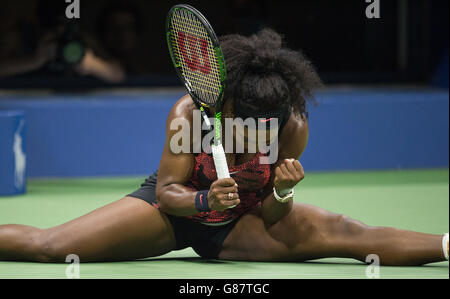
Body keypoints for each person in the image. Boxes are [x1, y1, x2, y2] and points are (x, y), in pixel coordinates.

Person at [0, 29, 448, 266]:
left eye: (264, 130)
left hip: (240, 223)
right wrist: (203, 199)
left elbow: (273, 216)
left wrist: (281, 193)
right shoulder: (189, 113)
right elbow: (166, 193)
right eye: (245, 125)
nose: (256, 138)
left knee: (351, 235)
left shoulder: (293, 127)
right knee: (52, 246)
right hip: (173, 214)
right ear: (227, 104)